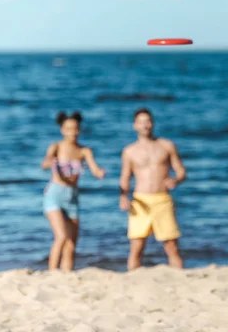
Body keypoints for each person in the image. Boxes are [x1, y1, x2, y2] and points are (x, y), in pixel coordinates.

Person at [119, 108, 186, 270]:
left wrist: (175, 179)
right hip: (140, 201)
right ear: (135, 125)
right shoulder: (129, 151)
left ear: (153, 123)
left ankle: (179, 276)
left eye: (148, 121)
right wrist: (123, 197)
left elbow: (181, 171)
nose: (145, 125)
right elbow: (125, 177)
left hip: (162, 199)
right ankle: (132, 278)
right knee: (137, 245)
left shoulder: (166, 146)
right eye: (141, 122)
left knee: (171, 245)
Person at [41, 111, 106, 271]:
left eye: (76, 129)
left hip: (72, 197)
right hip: (54, 195)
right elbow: (45, 163)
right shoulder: (56, 147)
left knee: (71, 243)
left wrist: (100, 173)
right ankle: (51, 272)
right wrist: (50, 163)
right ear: (62, 130)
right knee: (61, 237)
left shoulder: (84, 151)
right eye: (68, 129)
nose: (73, 133)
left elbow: (94, 169)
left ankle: (66, 275)